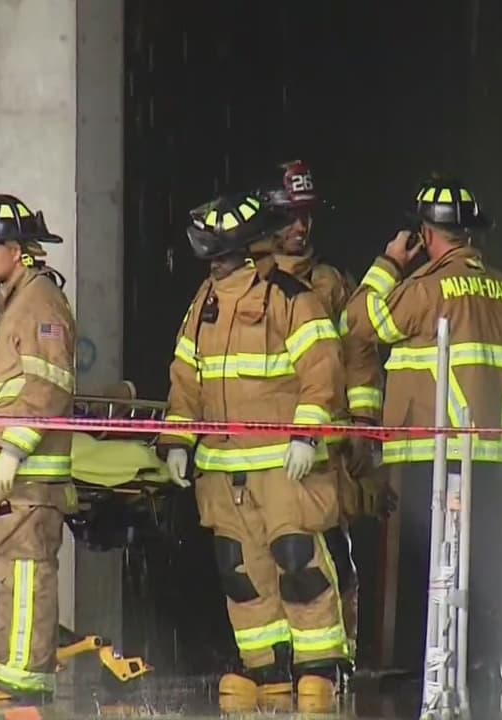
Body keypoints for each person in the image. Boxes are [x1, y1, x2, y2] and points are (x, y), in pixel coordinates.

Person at [157, 191, 349, 709]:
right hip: (224, 470)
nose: (212, 265)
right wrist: (178, 440)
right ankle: (266, 669)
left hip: (283, 466)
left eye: (217, 255)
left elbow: (323, 370)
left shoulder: (289, 296)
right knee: (240, 572)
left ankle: (319, 667)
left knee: (299, 562)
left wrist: (307, 434)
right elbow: (186, 378)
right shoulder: (205, 301)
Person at [342, 176, 502, 672]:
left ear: (426, 235)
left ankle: (422, 671)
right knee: (479, 564)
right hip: (491, 457)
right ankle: (480, 665)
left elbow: (359, 323)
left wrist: (389, 263)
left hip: (432, 454)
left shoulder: (425, 291)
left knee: (427, 568)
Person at [262, 160, 387, 672]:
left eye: (306, 216)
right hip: (260, 459)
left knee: (330, 562)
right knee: (261, 569)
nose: (301, 227)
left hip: (324, 460)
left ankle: (334, 667)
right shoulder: (246, 285)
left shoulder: (330, 284)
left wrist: (363, 430)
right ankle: (273, 667)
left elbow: (359, 360)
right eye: (290, 216)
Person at [0, 194, 77, 701]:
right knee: (6, 572)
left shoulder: (39, 301)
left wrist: (14, 448)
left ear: (19, 251)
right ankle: (9, 666)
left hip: (28, 471)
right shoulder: (2, 301)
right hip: (7, 472)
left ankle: (22, 676)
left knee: (26, 572)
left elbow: (49, 385)